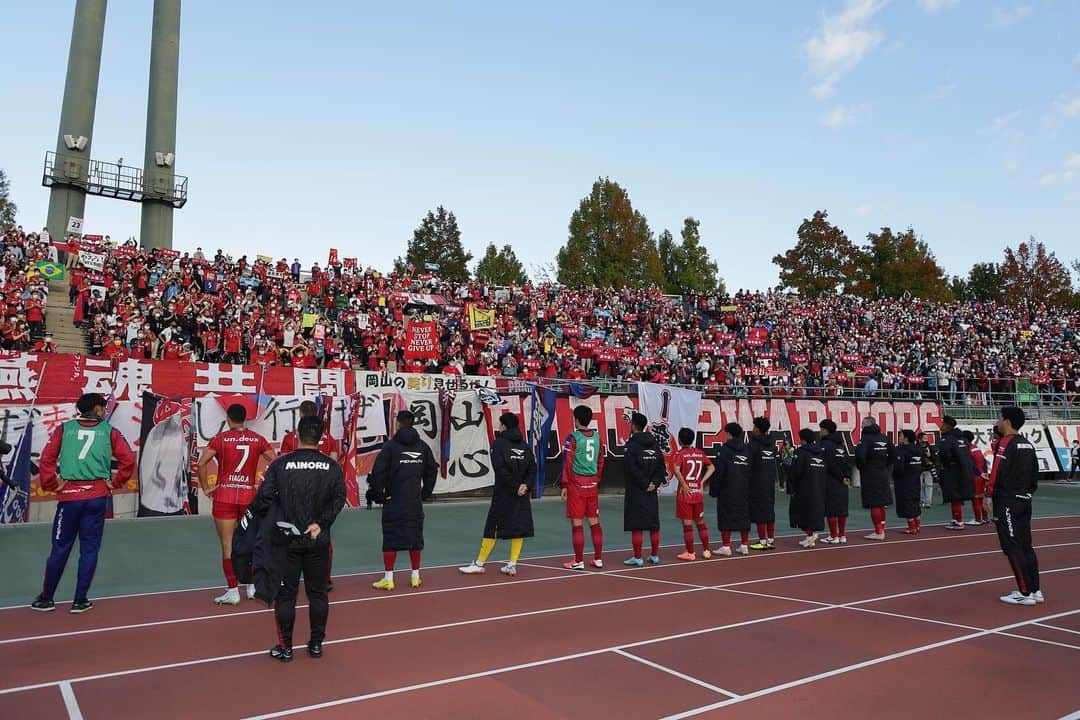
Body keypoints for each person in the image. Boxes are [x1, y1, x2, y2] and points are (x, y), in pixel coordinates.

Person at [248, 417, 345, 662]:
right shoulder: (331, 466)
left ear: (297, 434)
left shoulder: (281, 465)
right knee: (318, 593)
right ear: (322, 437)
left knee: (286, 595)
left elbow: (264, 499)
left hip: (286, 540)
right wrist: (320, 524)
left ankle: (286, 648)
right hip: (317, 540)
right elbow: (339, 499)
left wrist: (268, 522)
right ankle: (315, 645)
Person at [31, 393, 135, 613]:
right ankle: (80, 600)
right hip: (97, 496)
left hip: (69, 496)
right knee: (89, 549)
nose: (105, 411)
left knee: (60, 548)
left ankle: (46, 598)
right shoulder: (109, 431)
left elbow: (47, 457)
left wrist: (51, 483)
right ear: (97, 409)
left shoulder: (64, 428)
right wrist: (115, 482)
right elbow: (128, 459)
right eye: (103, 408)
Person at [197, 404, 275, 605]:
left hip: (225, 496)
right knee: (250, 543)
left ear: (228, 419)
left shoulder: (221, 439)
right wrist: (261, 485)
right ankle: (251, 587)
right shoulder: (257, 439)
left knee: (227, 545)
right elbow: (275, 462)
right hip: (249, 497)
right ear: (245, 419)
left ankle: (233, 590)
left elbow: (201, 463)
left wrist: (206, 488)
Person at [459, 413, 536, 577]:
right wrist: (525, 486)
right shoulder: (525, 446)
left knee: (492, 527)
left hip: (504, 493)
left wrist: (517, 486)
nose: (498, 426)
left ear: (504, 426)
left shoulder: (498, 444)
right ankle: (512, 564)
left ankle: (479, 564)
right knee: (519, 527)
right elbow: (532, 469)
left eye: (500, 424)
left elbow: (500, 469)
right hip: (521, 493)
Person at [368, 410, 437, 590]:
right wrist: (425, 493)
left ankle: (389, 579)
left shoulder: (390, 446)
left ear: (398, 423)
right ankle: (415, 576)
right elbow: (432, 469)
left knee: (391, 537)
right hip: (414, 500)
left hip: (393, 500)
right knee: (415, 537)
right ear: (412, 423)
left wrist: (378, 495)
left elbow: (378, 473)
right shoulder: (422, 446)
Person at [280, 400, 340, 590]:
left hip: (295, 497)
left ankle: (289, 579)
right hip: (321, 496)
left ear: (300, 414)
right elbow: (334, 464)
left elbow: (283, 466)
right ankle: (325, 578)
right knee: (323, 537)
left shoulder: (291, 438)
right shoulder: (329, 438)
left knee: (290, 536)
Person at [987, 406, 1043, 606]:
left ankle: (1024, 592)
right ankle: (1035, 590)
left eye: (999, 418)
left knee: (1012, 546)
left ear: (1007, 421)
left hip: (1008, 501)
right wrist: (1027, 492)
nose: (997, 421)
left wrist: (988, 495)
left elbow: (996, 471)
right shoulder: (1027, 444)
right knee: (1026, 545)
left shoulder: (1005, 443)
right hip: (1025, 500)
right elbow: (1035, 475)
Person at [560, 405, 606, 570]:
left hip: (577, 485)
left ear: (576, 419)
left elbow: (568, 462)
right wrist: (596, 479)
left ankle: (578, 560)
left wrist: (565, 484)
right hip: (592, 484)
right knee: (594, 521)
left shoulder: (573, 438)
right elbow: (601, 461)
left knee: (577, 523)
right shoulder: (597, 437)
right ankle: (598, 558)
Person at [622, 412, 667, 566]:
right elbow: (661, 466)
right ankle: (654, 555)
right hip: (652, 490)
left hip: (637, 489)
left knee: (637, 524)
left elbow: (630, 468)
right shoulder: (654, 443)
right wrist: (654, 483)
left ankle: (638, 557)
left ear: (633, 425)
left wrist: (644, 483)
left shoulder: (632, 444)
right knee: (653, 523)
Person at [710, 422, 752, 556]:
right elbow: (751, 470)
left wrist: (714, 489)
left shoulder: (725, 449)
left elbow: (719, 471)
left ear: (728, 433)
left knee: (725, 516)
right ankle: (744, 545)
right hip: (744, 488)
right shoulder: (747, 449)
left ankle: (726, 546)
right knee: (744, 515)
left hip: (727, 488)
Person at [673, 427, 713, 561]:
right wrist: (702, 482)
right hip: (698, 493)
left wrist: (684, 484)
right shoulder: (699, 453)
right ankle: (707, 550)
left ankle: (690, 552)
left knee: (687, 523)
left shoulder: (680, 454)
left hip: (685, 494)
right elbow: (712, 467)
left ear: (679, 439)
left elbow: (676, 469)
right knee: (700, 521)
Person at [855, 417, 894, 541]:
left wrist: (863, 468)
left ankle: (878, 531)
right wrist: (885, 467)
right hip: (883, 472)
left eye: (862, 424)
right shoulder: (884, 437)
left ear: (868, 424)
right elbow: (893, 455)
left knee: (874, 503)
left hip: (871, 473)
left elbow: (860, 457)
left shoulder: (865, 439)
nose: (861, 426)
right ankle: (881, 528)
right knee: (881, 502)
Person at [789, 428, 827, 548]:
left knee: (802, 512)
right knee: (815, 510)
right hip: (819, 486)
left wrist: (791, 487)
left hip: (804, 487)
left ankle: (811, 535)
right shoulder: (821, 452)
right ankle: (811, 536)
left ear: (803, 440)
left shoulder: (800, 452)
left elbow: (795, 471)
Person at [937, 415, 975, 531]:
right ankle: (956, 519)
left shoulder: (947, 439)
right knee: (956, 496)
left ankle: (958, 521)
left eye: (942, 423)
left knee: (955, 496)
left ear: (946, 426)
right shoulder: (961, 438)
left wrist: (946, 463)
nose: (940, 425)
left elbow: (944, 454)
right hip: (964, 469)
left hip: (953, 470)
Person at [747, 417, 779, 551]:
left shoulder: (753, 444)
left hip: (756, 482)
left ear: (758, 429)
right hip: (769, 481)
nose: (752, 429)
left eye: (754, 427)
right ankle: (770, 539)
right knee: (769, 509)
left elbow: (748, 463)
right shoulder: (772, 444)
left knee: (759, 511)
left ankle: (762, 541)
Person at [818, 419, 851, 545]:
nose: (820, 431)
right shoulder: (841, 444)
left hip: (831, 480)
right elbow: (847, 461)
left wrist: (840, 477)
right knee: (842, 508)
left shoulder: (825, 445)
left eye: (821, 429)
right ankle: (842, 535)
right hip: (843, 481)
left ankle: (833, 536)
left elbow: (830, 464)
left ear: (826, 430)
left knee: (831, 509)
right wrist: (846, 476)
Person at [893, 430, 924, 534]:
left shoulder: (901, 451)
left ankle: (912, 527)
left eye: (901, 436)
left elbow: (899, 467)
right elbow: (922, 464)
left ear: (906, 438)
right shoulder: (919, 449)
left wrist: (895, 476)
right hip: (916, 479)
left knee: (906, 502)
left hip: (904, 480)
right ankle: (918, 525)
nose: (899, 437)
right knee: (915, 500)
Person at [963, 430, 989, 525]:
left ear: (965, 439)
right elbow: (984, 461)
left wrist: (979, 473)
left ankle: (978, 519)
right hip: (982, 476)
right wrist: (985, 473)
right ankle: (985, 518)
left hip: (975, 476)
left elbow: (971, 464)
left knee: (975, 498)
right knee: (981, 498)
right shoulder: (976, 447)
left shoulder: (967, 449)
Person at [917, 431, 937, 509]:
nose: (925, 440)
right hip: (919, 468)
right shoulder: (916, 447)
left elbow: (935, 458)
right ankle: (921, 501)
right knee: (919, 486)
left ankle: (928, 502)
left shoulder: (930, 447)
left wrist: (930, 455)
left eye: (926, 438)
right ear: (919, 439)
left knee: (929, 485)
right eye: (924, 438)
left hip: (928, 468)